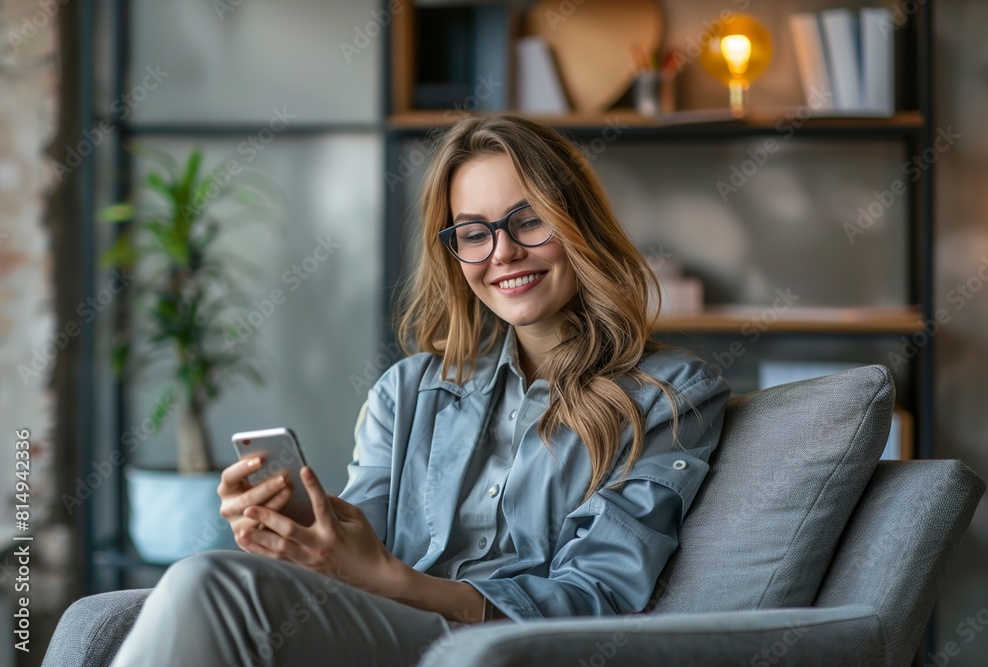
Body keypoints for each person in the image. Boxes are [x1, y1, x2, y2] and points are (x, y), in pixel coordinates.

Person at [109, 114, 730, 666]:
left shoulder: (669, 394)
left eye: (529, 220)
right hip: (383, 627)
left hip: (501, 647)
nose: (504, 253)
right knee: (209, 577)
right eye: (474, 232)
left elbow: (601, 596)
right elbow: (359, 543)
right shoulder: (405, 391)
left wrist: (396, 582)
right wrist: (296, 535)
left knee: (210, 583)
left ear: (578, 222)